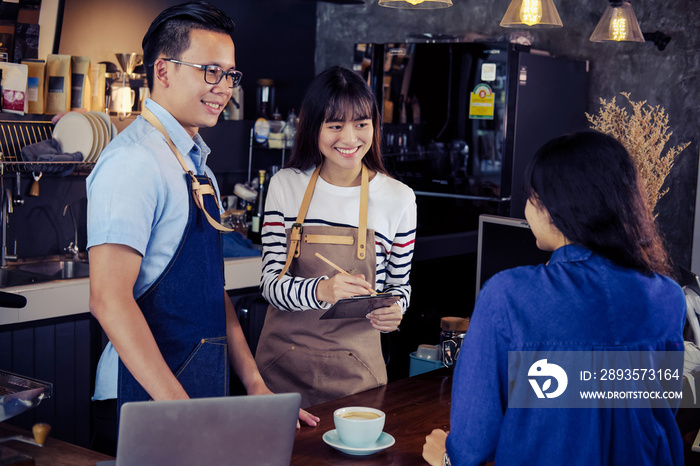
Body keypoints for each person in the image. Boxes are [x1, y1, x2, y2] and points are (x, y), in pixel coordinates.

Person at [87, 2, 317, 455]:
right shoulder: (133, 162)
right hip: (146, 400)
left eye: (230, 75)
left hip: (197, 391)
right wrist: (180, 408)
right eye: (210, 71)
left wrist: (254, 384)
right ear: (164, 70)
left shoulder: (198, 168)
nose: (224, 89)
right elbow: (108, 300)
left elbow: (212, 291)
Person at [422, 131, 686, 466]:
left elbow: (475, 442)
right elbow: (655, 410)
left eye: (531, 198)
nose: (527, 210)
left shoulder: (509, 295)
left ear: (558, 209)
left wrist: (447, 455)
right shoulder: (668, 296)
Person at [254, 66, 417, 408]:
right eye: (335, 125)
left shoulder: (399, 198)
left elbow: (399, 286)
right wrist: (322, 290)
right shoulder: (286, 185)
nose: (349, 138)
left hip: (356, 378)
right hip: (280, 373)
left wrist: (395, 310)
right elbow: (270, 285)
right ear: (314, 127)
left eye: (361, 124)